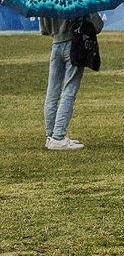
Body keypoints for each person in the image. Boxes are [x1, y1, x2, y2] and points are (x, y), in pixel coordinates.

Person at [40, 9, 101, 150]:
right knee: (69, 90)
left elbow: (44, 30)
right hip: (74, 44)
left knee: (52, 92)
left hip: (56, 45)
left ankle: (51, 135)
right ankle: (58, 136)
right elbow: (97, 25)